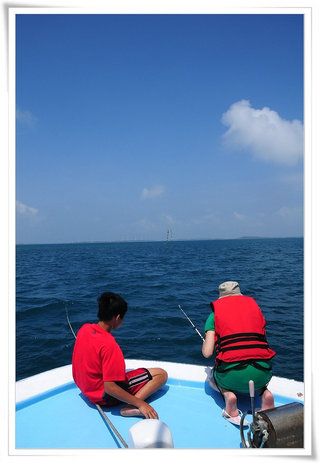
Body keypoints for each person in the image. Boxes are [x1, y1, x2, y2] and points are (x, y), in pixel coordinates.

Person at [72, 291, 168, 419]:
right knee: (161, 374)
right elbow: (110, 388)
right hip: (104, 398)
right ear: (117, 318)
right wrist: (141, 404)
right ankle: (130, 406)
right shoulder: (110, 345)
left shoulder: (84, 329)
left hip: (87, 391)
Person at [202, 281, 276, 426]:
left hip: (232, 376)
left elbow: (207, 353)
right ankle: (265, 394)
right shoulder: (256, 310)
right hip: (263, 373)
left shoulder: (214, 316)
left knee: (211, 378)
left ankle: (229, 398)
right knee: (254, 368)